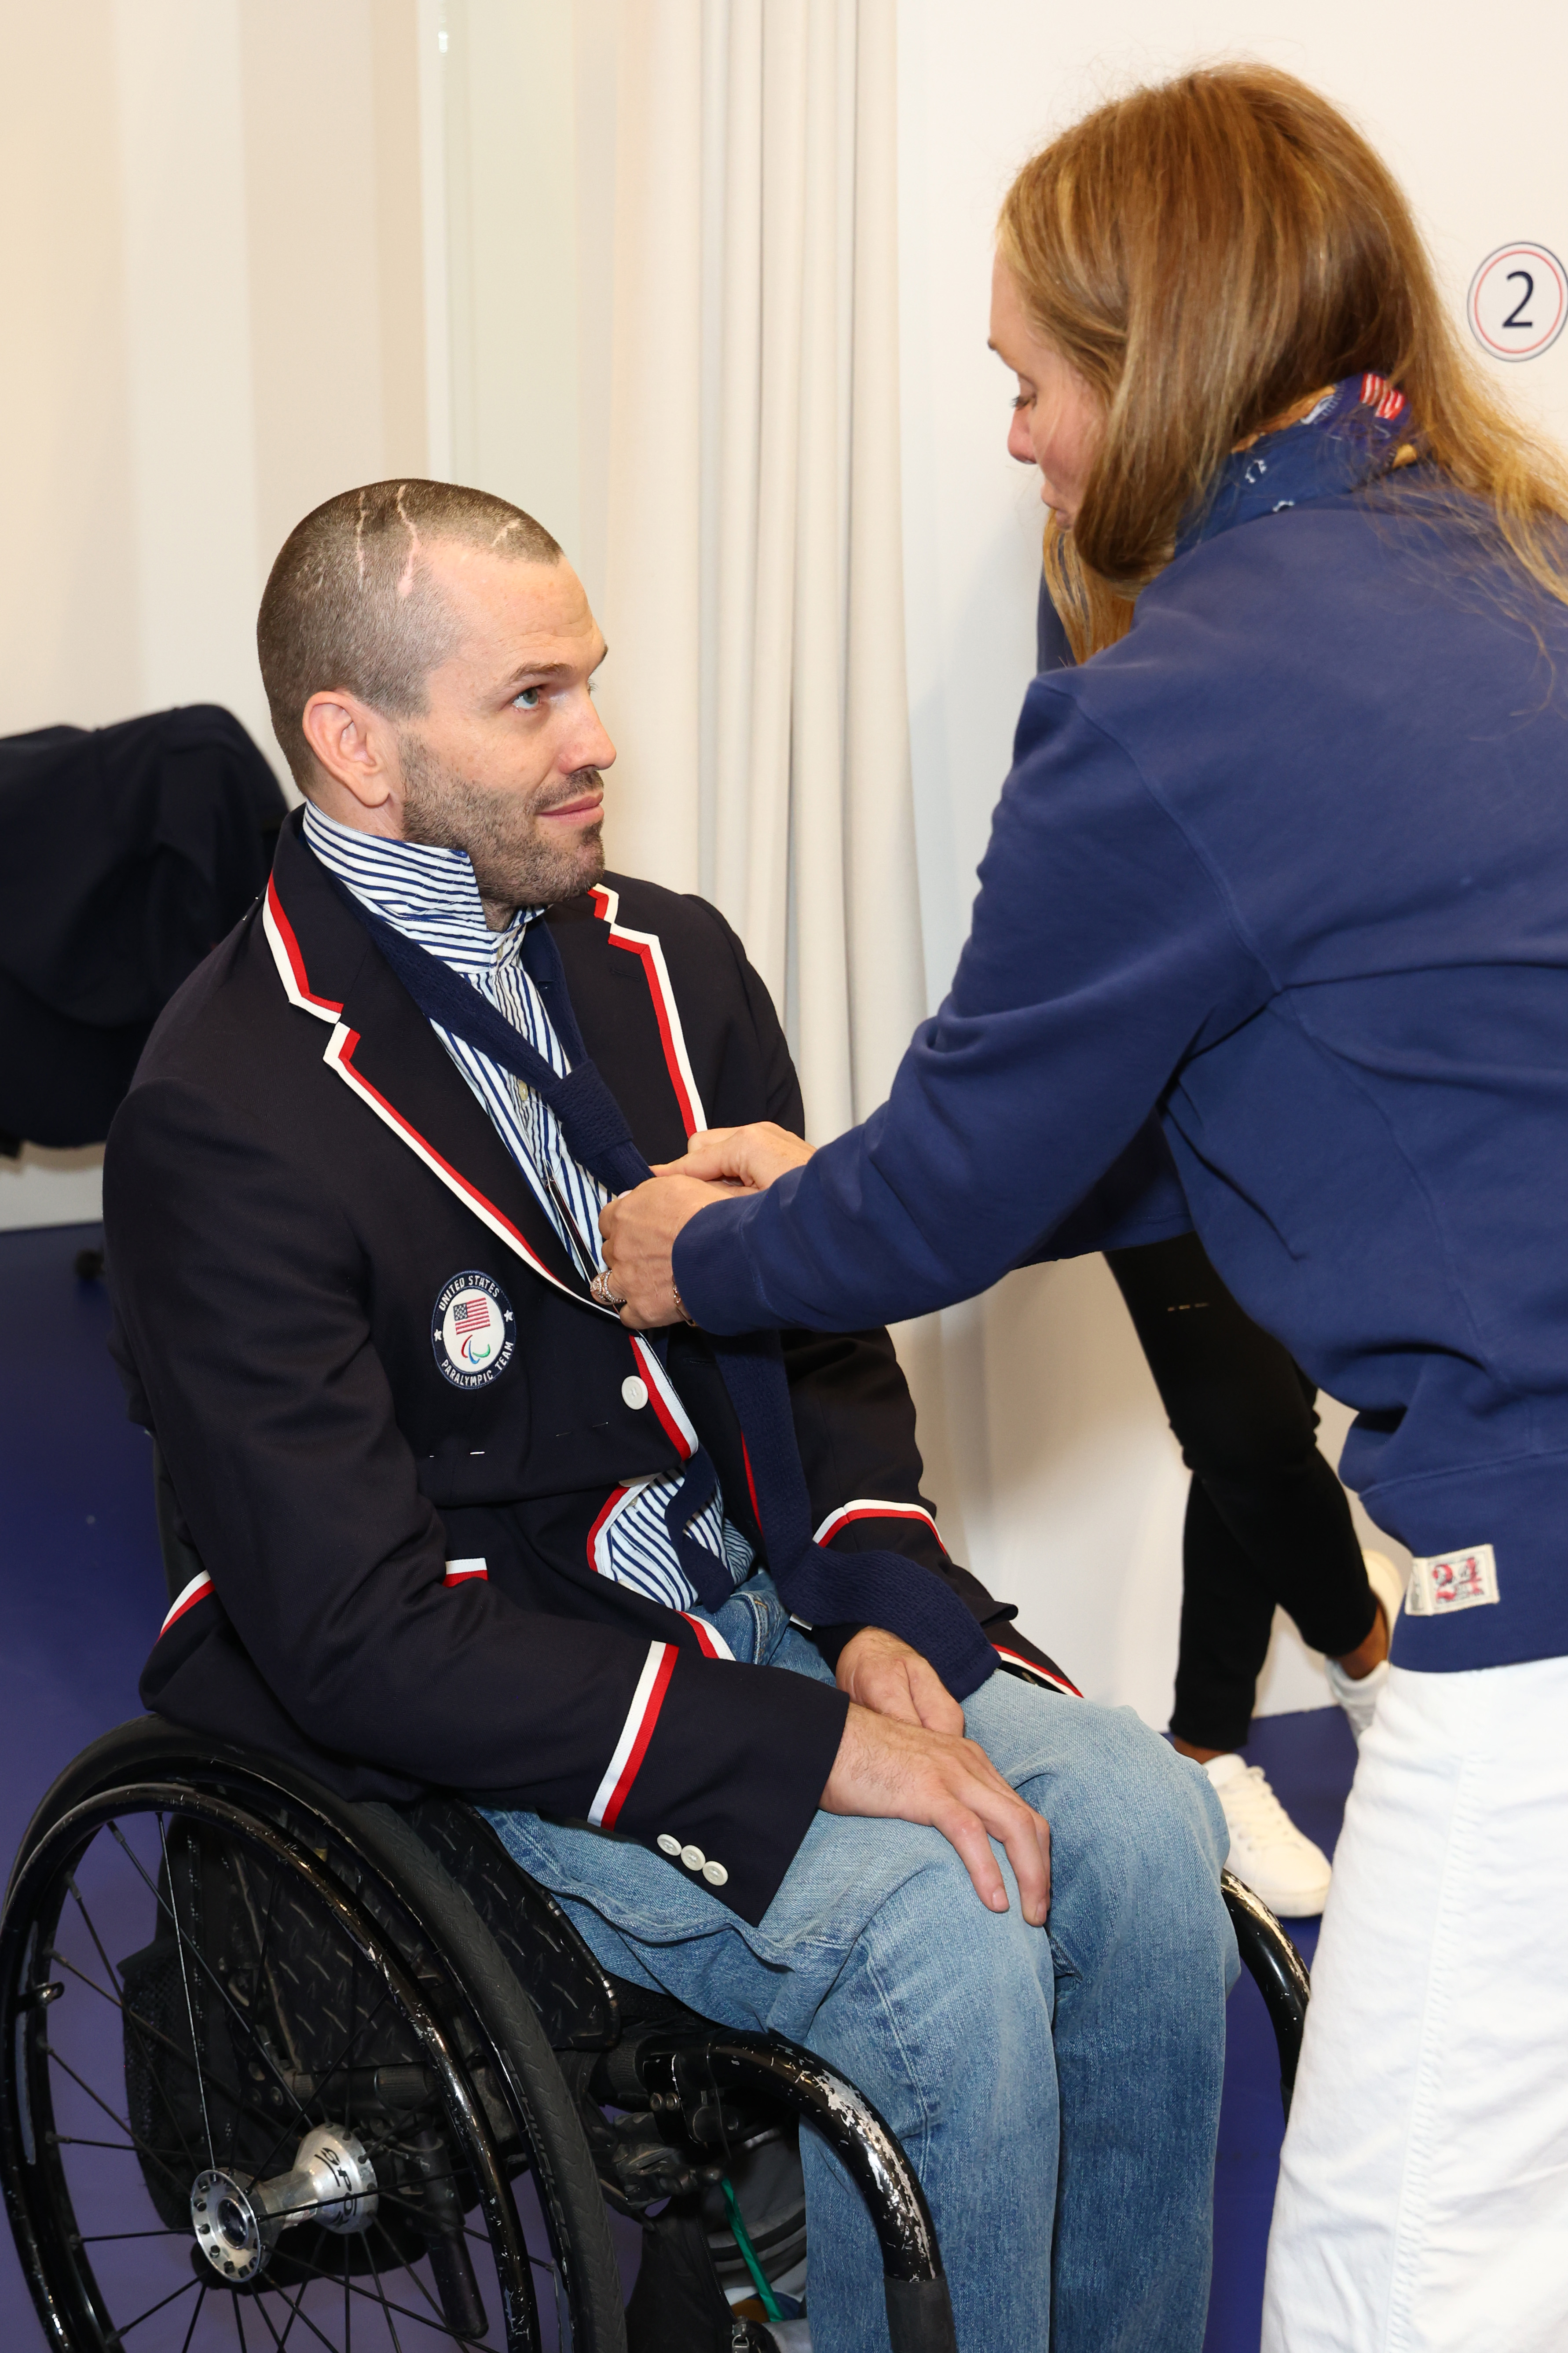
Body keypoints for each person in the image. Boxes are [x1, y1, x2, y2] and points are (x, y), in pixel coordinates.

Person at [601, 64, 1568, 2353]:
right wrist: (864, 1181)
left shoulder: (1172, 703)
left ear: (1149, 368)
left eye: (1027, 381)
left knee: (1393, 2274)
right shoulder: (1497, 568)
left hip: (1530, 1588)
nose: (1020, 441)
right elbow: (1242, 1089)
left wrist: (702, 1248)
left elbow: (947, 1199)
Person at [103, 479, 1233, 2353]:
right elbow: (358, 1630)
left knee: (1141, 1820)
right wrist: (792, 1751)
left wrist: (875, 1600)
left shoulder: (678, 960)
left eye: (592, 686)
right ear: (355, 744)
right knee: (940, 1921)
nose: (598, 740)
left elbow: (822, 1342)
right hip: (508, 1669)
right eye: (532, 699)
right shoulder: (224, 1108)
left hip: (759, 1591)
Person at [1037, 591, 1406, 1916]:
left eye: (1030, 393)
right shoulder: (1080, 560)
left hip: (1290, 1056)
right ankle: (1372, 1658)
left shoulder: (1280, 546)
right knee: (1245, 1424)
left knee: (1253, 1424)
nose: (1018, 436)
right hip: (1147, 1076)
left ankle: (1205, 1746)